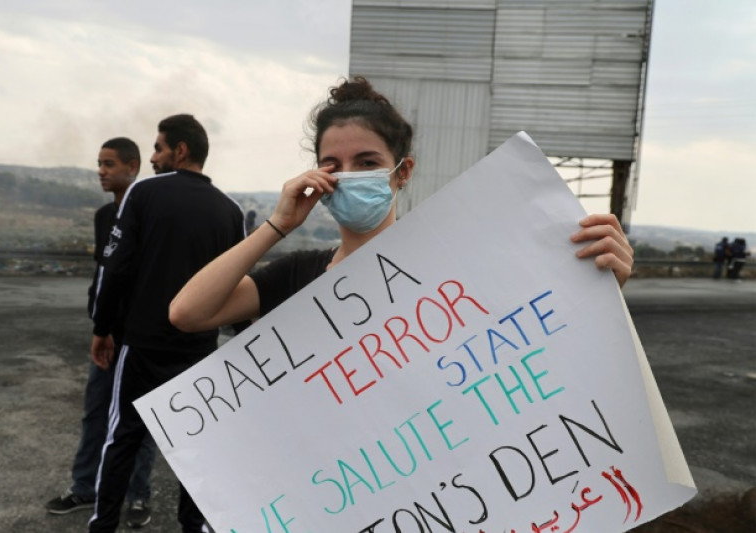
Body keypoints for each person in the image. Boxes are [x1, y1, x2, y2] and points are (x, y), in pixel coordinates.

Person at [169, 76, 634, 341]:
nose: (348, 175)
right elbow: (187, 314)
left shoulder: (455, 266)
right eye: (333, 165)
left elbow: (543, 338)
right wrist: (277, 225)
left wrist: (600, 285)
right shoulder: (297, 276)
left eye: (367, 162)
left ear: (403, 171)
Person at [87, 115, 246, 533]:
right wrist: (248, 343)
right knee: (196, 446)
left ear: (180, 151)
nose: (153, 157)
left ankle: (102, 526)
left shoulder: (143, 194)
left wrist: (101, 328)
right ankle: (192, 528)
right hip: (196, 352)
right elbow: (238, 287)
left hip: (141, 346)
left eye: (158, 148)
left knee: (122, 439)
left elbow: (114, 269)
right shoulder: (230, 212)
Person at [46, 137, 157, 528]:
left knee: (138, 420)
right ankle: (84, 488)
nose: (101, 171)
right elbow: (104, 275)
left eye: (109, 164)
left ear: (132, 166)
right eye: (99, 163)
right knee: (96, 413)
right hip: (107, 334)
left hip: (138, 337)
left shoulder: (149, 215)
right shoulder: (102, 217)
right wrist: (101, 323)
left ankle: (138, 496)